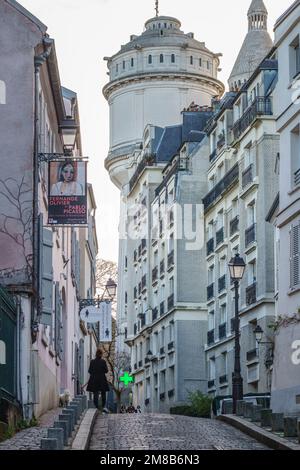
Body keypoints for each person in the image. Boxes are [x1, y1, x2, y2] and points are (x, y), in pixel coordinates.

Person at [86, 349, 110, 414]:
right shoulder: (103, 362)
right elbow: (106, 371)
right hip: (102, 379)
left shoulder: (92, 362)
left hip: (94, 379)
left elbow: (89, 371)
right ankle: (103, 406)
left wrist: (94, 372)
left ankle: (96, 407)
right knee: (103, 393)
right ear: (101, 354)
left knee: (95, 393)